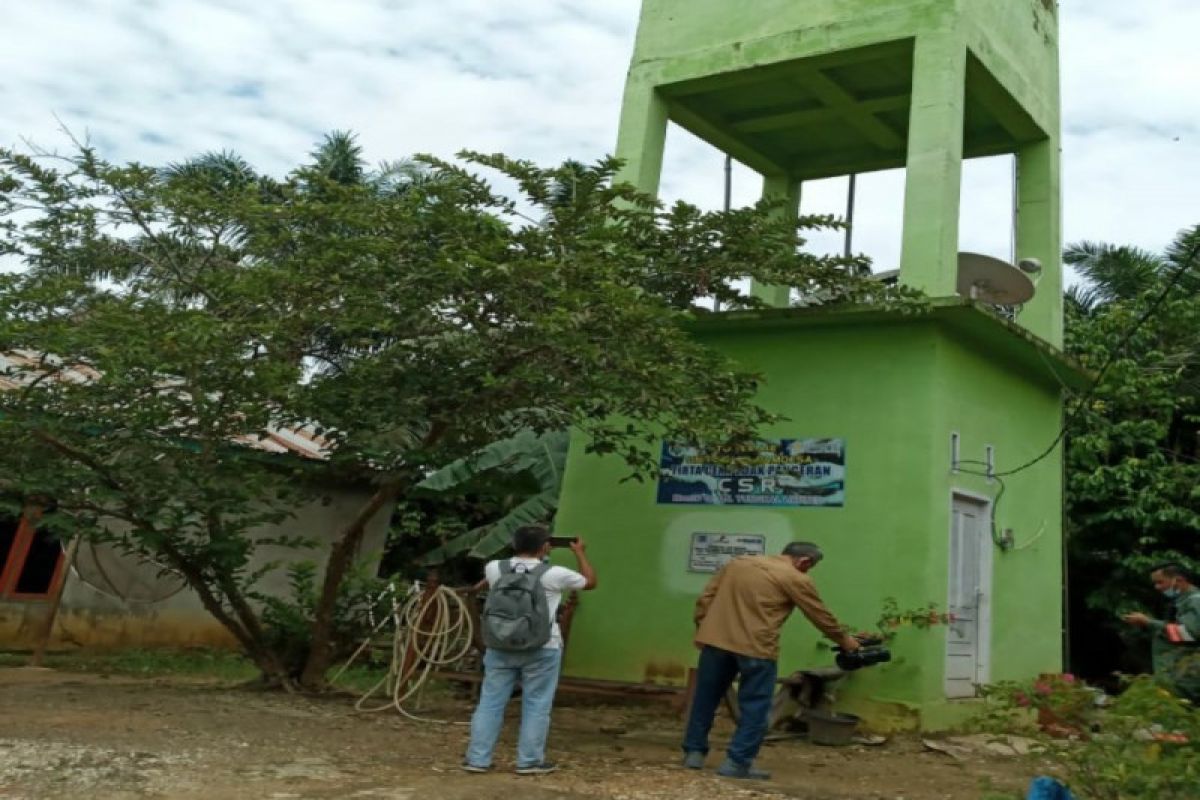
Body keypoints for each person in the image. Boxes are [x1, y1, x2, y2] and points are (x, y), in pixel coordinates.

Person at [682, 541, 860, 780]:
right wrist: (846, 641)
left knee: (706, 697)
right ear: (804, 561)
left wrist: (703, 629)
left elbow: (706, 599)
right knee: (755, 706)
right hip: (756, 647)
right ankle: (737, 762)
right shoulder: (795, 578)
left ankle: (693, 753)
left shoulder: (738, 564)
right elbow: (819, 615)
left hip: (715, 642)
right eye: (810, 566)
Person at [462, 525, 597, 775]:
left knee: (490, 702)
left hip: (500, 645)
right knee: (536, 704)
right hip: (543, 647)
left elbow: (482, 586)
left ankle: (477, 759)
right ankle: (530, 761)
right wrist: (579, 552)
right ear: (545, 547)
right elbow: (590, 582)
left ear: (514, 544)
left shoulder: (494, 568)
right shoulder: (555, 573)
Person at [1121, 563, 1200, 704]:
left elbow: (1188, 633)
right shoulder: (1181, 602)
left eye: (1160, 582)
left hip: (1187, 677)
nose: (1157, 587)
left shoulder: (1195, 601)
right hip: (1178, 674)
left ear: (1179, 580)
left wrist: (1148, 622)